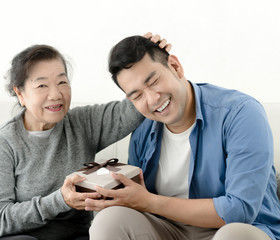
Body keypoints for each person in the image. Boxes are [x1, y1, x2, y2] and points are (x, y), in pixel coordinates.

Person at [0, 39, 170, 240]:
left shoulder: (83, 123)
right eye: (42, 85)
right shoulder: (1, 145)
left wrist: (151, 60)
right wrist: (60, 200)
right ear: (20, 93)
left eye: (62, 82)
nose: (55, 94)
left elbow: (134, 107)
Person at [86, 34, 280, 240]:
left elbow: (239, 210)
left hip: (240, 229)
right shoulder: (143, 129)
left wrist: (147, 201)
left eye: (153, 81)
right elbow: (139, 197)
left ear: (175, 66)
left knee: (232, 235)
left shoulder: (241, 113)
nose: (152, 99)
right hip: (170, 230)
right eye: (137, 95)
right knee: (108, 221)